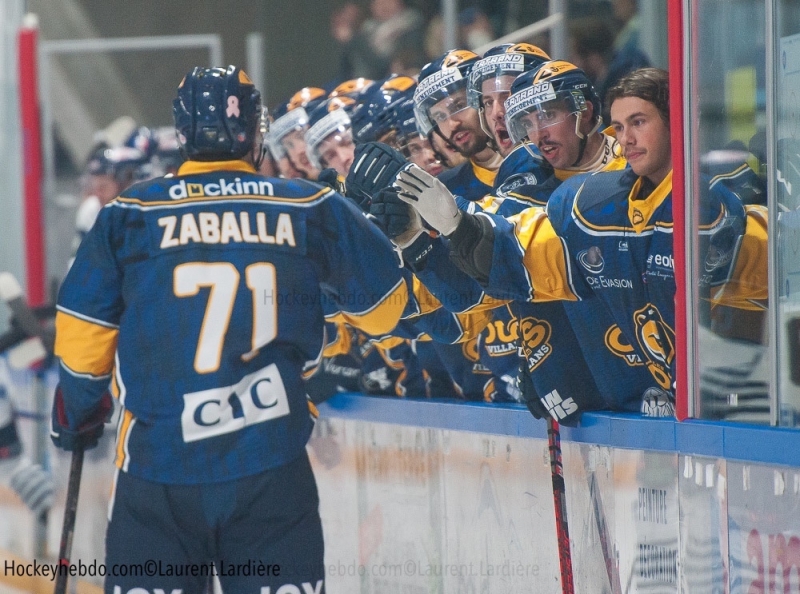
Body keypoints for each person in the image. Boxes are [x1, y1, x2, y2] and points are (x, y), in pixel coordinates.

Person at [50, 65, 409, 594]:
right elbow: (385, 313)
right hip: (271, 468)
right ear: (255, 133)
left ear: (185, 132)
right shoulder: (310, 207)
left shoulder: (126, 216)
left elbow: (83, 343)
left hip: (158, 472)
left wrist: (79, 413)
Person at [393, 67, 752, 416]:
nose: (626, 138)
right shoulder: (583, 205)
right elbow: (516, 264)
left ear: (585, 113)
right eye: (621, 126)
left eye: (639, 122)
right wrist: (444, 232)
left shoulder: (723, 190)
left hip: (737, 398)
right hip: (635, 407)